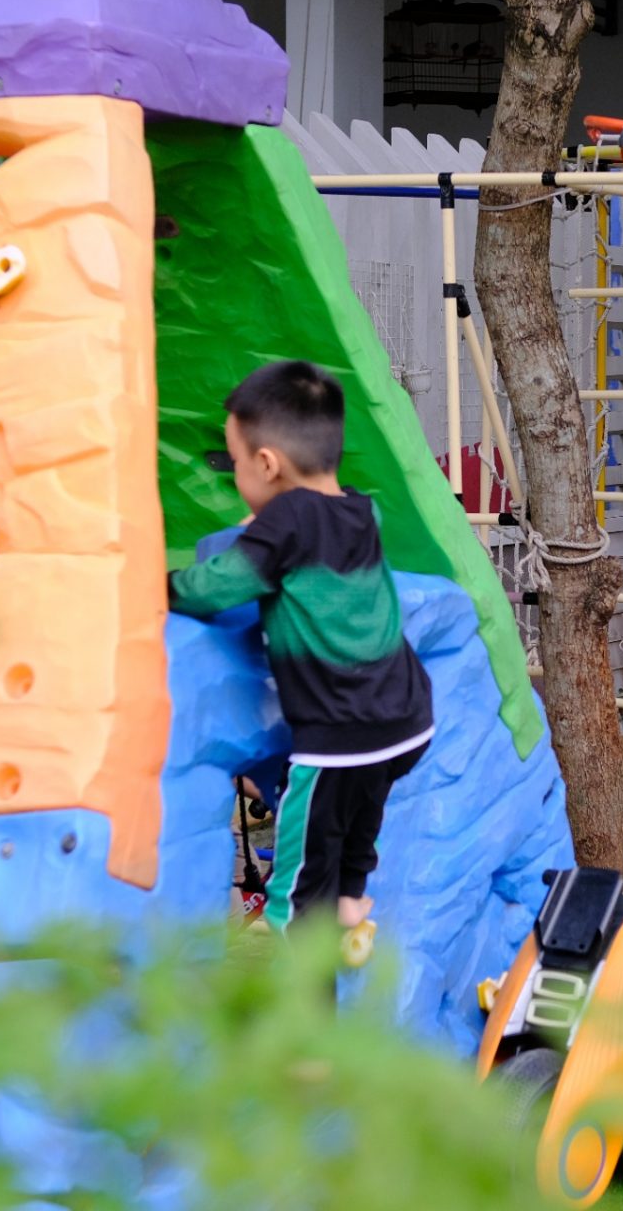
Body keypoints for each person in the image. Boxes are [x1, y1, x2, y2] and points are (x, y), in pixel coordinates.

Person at [167, 361, 432, 943]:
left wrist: (159, 587)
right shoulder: (358, 509)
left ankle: (301, 964)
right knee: (356, 824)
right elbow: (309, 530)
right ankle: (351, 900)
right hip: (407, 721)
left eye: (236, 463)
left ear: (267, 464)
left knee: (299, 872)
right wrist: (270, 520)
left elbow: (217, 587)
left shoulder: (286, 522)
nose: (237, 475)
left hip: (338, 739)